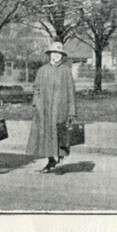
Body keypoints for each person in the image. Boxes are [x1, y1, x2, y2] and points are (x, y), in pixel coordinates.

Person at [32, 42, 77, 173]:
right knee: (47, 135)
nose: (56, 56)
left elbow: (71, 92)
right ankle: (51, 160)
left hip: (60, 109)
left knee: (61, 134)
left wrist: (72, 112)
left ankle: (61, 158)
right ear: (49, 54)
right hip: (45, 109)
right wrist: (36, 103)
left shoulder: (66, 72)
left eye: (59, 53)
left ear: (62, 56)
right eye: (54, 53)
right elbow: (36, 88)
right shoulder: (42, 71)